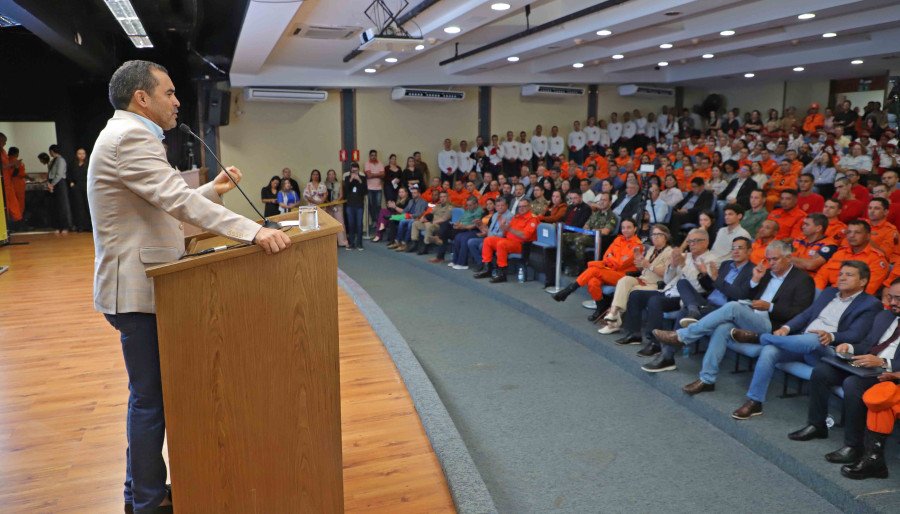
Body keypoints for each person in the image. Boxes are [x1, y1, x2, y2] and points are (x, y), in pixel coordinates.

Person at [89, 60, 290, 514]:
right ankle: (145, 501)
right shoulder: (131, 137)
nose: (177, 101)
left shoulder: (126, 136)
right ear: (142, 98)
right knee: (149, 402)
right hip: (137, 291)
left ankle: (141, 492)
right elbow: (176, 201)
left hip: (145, 287)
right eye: (170, 92)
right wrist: (251, 231)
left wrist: (215, 191)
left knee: (152, 399)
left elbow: (163, 210)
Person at [727, 261, 882, 419]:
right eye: (841, 274)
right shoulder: (830, 292)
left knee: (815, 338)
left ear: (863, 281)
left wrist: (831, 336)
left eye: (849, 275)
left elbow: (856, 334)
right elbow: (807, 315)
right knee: (769, 351)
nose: (842, 278)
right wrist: (786, 328)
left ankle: (760, 337)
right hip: (799, 342)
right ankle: (755, 402)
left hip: (827, 350)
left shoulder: (870, 304)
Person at [647, 240, 814, 382]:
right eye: (768, 259)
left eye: (775, 259)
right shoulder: (767, 274)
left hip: (772, 325)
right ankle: (707, 378)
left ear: (789, 257)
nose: (771, 263)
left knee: (732, 306)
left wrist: (769, 306)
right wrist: (755, 281)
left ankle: (682, 336)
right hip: (750, 316)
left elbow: (799, 314)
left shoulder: (803, 280)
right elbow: (749, 295)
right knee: (722, 328)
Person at [788, 277, 900, 472]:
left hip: (889, 374)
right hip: (866, 364)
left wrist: (884, 362)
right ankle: (817, 425)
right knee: (823, 371)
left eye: (898, 299)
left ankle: (854, 446)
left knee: (853, 384)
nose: (892, 303)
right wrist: (849, 347)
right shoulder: (885, 316)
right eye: (890, 297)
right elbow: (867, 344)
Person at [617, 228, 714, 356]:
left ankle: (655, 343)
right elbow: (668, 279)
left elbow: (699, 287)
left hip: (686, 297)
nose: (692, 244)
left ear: (706, 242)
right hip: (669, 290)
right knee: (636, 295)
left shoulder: (711, 259)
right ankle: (634, 334)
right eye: (690, 241)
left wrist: (683, 266)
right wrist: (673, 266)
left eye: (696, 241)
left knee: (655, 301)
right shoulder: (686, 255)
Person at [552, 218, 644, 321]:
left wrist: (611, 257)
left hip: (623, 276)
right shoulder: (618, 239)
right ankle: (601, 307)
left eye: (629, 227)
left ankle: (568, 290)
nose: (625, 230)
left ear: (635, 229)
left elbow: (620, 264)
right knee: (592, 281)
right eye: (623, 227)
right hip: (609, 270)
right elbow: (606, 256)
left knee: (594, 270)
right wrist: (612, 258)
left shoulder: (637, 246)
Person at [599, 224, 674, 333]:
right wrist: (639, 262)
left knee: (631, 291)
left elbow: (666, 274)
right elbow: (642, 269)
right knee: (624, 280)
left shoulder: (670, 252)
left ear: (666, 236)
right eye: (653, 234)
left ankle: (613, 322)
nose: (655, 237)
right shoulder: (651, 249)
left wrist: (648, 265)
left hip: (655, 284)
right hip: (642, 279)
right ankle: (613, 313)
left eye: (659, 234)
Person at [676, 236, 754, 324]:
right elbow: (712, 287)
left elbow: (739, 295)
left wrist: (716, 279)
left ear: (749, 251)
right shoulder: (726, 265)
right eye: (733, 248)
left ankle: (690, 313)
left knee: (684, 311)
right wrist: (704, 274)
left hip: (723, 308)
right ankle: (693, 309)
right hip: (708, 302)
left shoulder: (752, 271)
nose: (735, 251)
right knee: (682, 283)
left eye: (740, 248)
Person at [815, 220, 889, 296]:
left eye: (857, 232)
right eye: (849, 232)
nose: (851, 235)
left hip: (853, 300)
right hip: (829, 294)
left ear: (868, 236)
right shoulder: (840, 253)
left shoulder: (877, 259)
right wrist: (817, 293)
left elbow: (868, 289)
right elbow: (821, 276)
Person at [474, 198, 538, 283]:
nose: (521, 208)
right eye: (520, 207)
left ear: (529, 206)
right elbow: (506, 231)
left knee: (502, 243)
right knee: (488, 240)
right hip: (509, 241)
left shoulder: (532, 219)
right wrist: (502, 227)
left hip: (522, 245)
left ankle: (502, 273)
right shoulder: (517, 217)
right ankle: (487, 268)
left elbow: (525, 235)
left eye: (524, 206)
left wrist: (509, 229)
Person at [47, 144, 74, 234]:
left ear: (52, 151)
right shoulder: (53, 160)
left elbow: (59, 174)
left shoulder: (61, 160)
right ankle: (58, 226)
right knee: (56, 206)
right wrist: (50, 184)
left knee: (63, 205)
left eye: (50, 151)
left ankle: (66, 226)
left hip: (60, 183)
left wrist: (52, 184)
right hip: (53, 183)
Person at [343, 161, 367, 250]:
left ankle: (359, 244)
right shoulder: (347, 178)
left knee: (359, 225)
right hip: (350, 205)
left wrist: (359, 180)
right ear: (350, 171)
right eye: (353, 171)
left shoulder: (363, 178)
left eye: (356, 171)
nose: (354, 173)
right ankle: (351, 244)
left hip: (359, 205)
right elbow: (346, 190)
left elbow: (364, 191)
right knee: (351, 224)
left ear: (358, 170)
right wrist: (350, 180)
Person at [323, 169, 349, 248]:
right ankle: (332, 243)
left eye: (333, 174)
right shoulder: (324, 184)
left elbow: (341, 195)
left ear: (335, 175)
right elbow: (323, 195)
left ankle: (343, 241)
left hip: (337, 206)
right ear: (327, 176)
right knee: (329, 225)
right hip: (328, 206)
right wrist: (329, 203)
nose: (331, 176)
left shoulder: (338, 184)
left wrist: (335, 202)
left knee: (340, 223)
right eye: (329, 174)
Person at [69, 148, 92, 231]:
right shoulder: (73, 164)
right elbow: (70, 174)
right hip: (77, 186)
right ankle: (80, 226)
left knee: (88, 206)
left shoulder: (89, 163)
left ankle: (90, 226)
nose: (81, 155)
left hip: (86, 186)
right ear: (76, 155)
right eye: (79, 153)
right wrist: (71, 182)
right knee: (79, 206)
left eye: (83, 153)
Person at [364, 149, 385, 228]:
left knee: (378, 206)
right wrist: (378, 174)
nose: (374, 157)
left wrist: (373, 174)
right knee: (371, 205)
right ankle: (374, 221)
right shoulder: (367, 163)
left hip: (378, 188)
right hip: (369, 188)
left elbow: (383, 175)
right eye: (372, 155)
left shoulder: (380, 163)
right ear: (370, 156)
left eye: (375, 155)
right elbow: (368, 175)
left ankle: (379, 221)